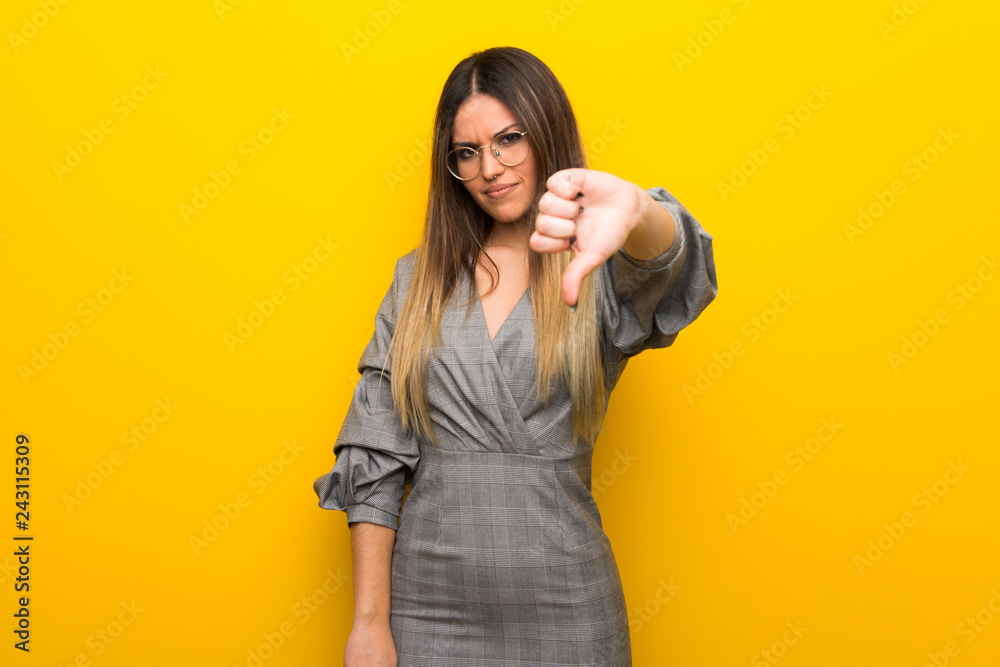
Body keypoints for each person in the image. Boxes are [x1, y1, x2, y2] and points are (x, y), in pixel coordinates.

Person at [313, 46, 718, 667]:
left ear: (548, 133)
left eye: (509, 140)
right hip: (425, 609)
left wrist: (638, 210)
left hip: (567, 600)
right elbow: (374, 455)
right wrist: (368, 622)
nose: (490, 169)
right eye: (467, 152)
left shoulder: (598, 262)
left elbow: (677, 266)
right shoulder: (416, 280)